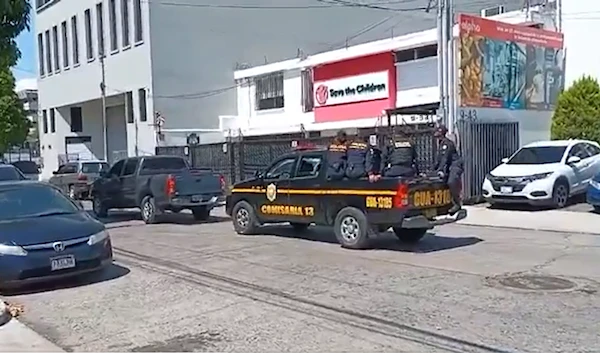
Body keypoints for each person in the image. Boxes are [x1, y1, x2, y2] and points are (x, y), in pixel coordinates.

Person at [433, 124, 463, 215]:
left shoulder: (447, 143)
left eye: (438, 133)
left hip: (455, 165)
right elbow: (438, 160)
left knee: (451, 182)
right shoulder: (440, 143)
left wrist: (440, 170)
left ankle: (457, 203)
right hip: (448, 166)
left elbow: (445, 159)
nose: (437, 135)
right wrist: (433, 170)